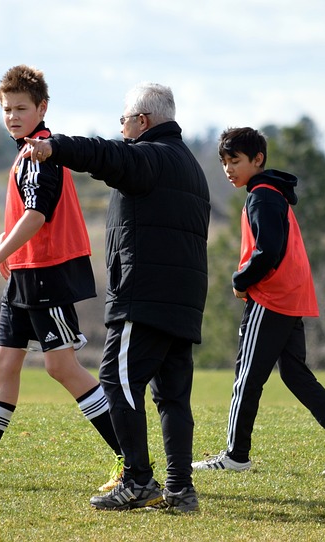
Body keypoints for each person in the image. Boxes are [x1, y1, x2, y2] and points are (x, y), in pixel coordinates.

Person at [0, 65, 121, 489]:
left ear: (42, 108)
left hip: (45, 273)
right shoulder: (25, 151)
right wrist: (4, 242)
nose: (13, 116)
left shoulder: (40, 152)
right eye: (7, 108)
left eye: (21, 108)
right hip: (25, 273)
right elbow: (26, 215)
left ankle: (130, 460)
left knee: (61, 366)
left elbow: (37, 215)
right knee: (3, 361)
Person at [25, 82, 210, 512]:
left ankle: (138, 480)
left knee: (115, 379)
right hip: (182, 299)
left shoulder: (149, 156)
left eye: (124, 120)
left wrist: (55, 146)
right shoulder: (189, 164)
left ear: (142, 122)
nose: (121, 128)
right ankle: (181, 490)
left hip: (143, 297)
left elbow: (104, 155)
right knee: (172, 396)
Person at [192, 127, 325, 476]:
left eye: (236, 161)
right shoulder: (270, 192)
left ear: (257, 160)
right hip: (290, 295)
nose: (229, 169)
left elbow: (268, 251)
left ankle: (235, 456)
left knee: (247, 376)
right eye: (225, 162)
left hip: (271, 297)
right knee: (295, 375)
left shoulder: (261, 195)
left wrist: (241, 280)